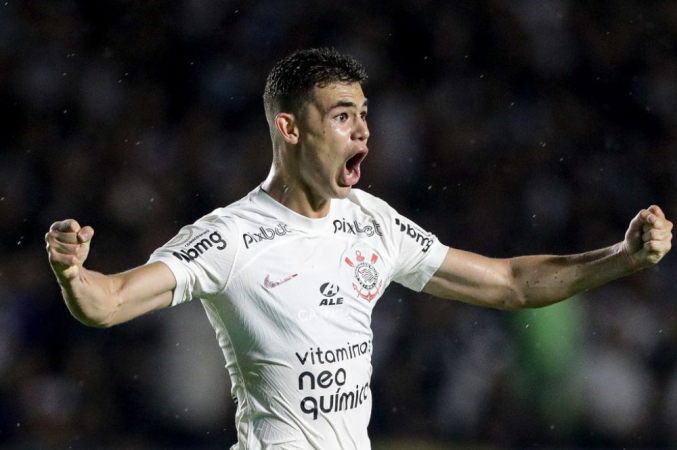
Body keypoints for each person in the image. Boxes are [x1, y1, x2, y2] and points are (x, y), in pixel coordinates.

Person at [45, 48, 672, 450]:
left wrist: (621, 258)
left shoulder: (371, 222)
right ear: (290, 128)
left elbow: (507, 283)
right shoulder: (231, 237)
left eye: (365, 114)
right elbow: (109, 302)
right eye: (343, 115)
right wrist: (75, 274)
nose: (364, 129)